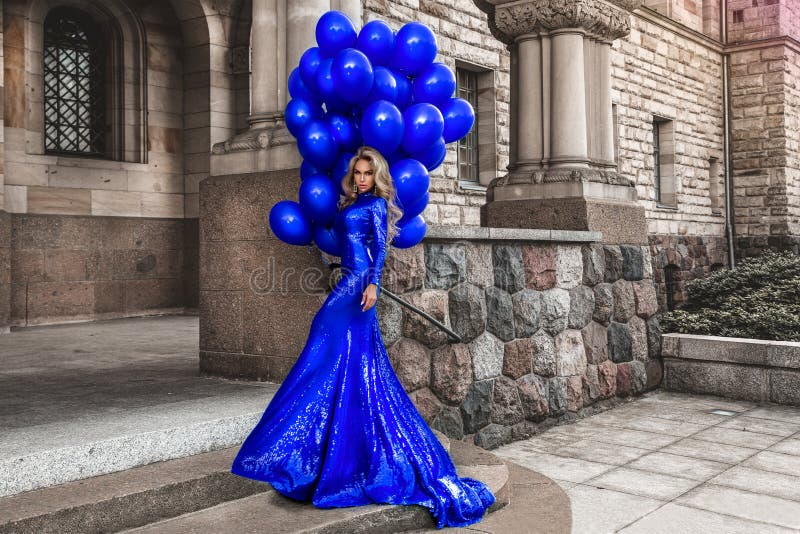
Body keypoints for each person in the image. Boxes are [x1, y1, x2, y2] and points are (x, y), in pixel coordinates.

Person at [230, 146, 495, 529]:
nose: (361, 178)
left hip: (358, 288)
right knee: (337, 359)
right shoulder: (348, 203)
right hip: (347, 281)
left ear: (377, 176)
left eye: (367, 173)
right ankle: (315, 455)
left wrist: (373, 285)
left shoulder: (376, 205)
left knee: (327, 348)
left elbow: (380, 250)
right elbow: (344, 242)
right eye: (357, 172)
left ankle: (323, 455)